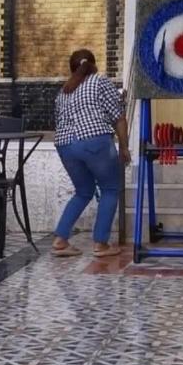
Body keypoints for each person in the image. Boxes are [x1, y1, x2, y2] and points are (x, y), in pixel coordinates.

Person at [52, 49, 130, 257]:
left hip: (65, 146)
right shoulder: (100, 81)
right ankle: (101, 244)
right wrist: (124, 147)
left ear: (72, 69)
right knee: (111, 189)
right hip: (94, 141)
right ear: (93, 65)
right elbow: (119, 118)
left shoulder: (63, 91)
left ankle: (60, 240)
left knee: (83, 191)